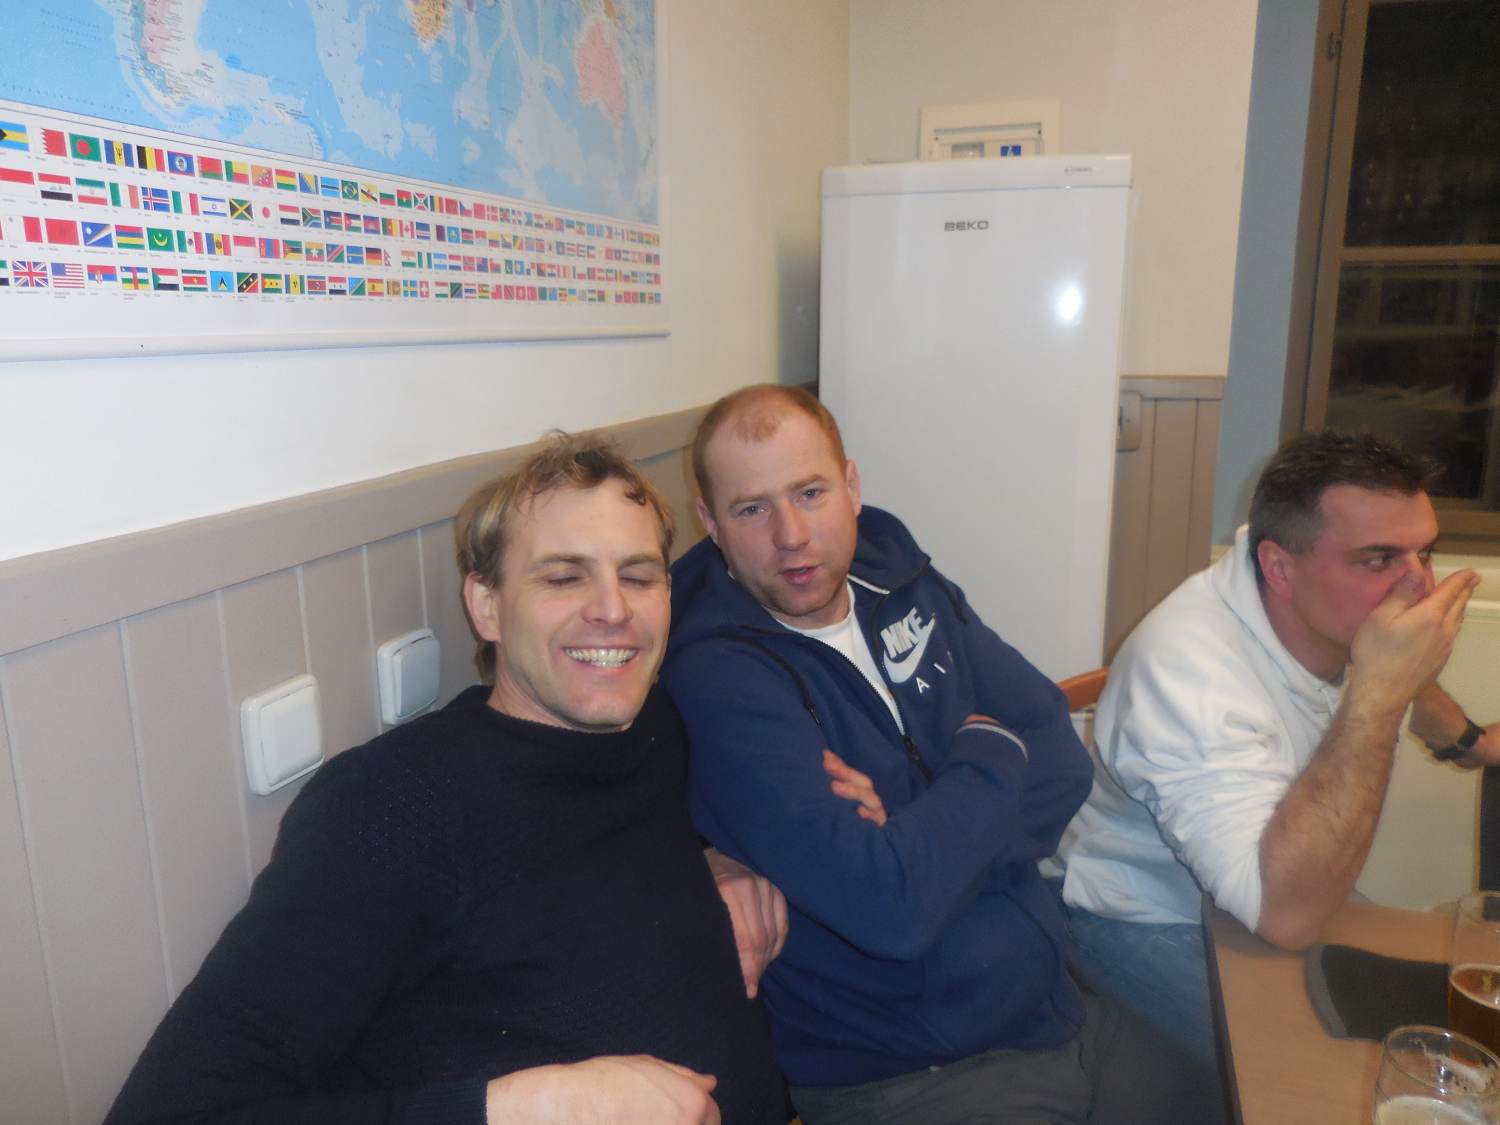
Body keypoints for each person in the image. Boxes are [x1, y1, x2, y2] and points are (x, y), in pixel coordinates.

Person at [103, 432, 789, 1125]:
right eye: (563, 577)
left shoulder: (655, 727)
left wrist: (714, 858)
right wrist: (529, 1107)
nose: (613, 609)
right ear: (486, 605)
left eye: (638, 576)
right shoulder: (391, 807)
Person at [662, 384, 1220, 1125]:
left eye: (810, 492)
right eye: (751, 509)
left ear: (852, 486)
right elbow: (890, 908)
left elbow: (1059, 759)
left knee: (1251, 1096)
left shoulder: (900, 577)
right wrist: (982, 754)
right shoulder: (720, 676)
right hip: (914, 1071)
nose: (791, 534)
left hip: (1052, 1007)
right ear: (711, 523)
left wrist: (913, 833)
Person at [1057, 429, 1499, 1067]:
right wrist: (1378, 694)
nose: (1420, 589)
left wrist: (1470, 742)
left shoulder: (1330, 611)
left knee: (1445, 1030)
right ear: (1279, 568)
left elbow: (1411, 678)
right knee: (1337, 1080)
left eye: (1424, 553)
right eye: (1379, 559)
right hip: (1152, 913)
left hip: (1285, 880)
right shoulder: (1191, 676)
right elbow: (1284, 918)